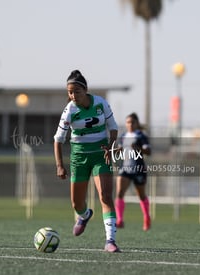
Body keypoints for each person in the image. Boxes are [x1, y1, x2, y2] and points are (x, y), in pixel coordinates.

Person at [53, 70, 120, 253]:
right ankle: (84, 215)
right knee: (77, 204)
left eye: (77, 91)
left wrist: (111, 146)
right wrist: (60, 165)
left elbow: (113, 128)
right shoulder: (69, 110)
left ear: (86, 90)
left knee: (105, 195)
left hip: (100, 154)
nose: (73, 96)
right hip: (79, 157)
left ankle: (110, 241)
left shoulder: (100, 103)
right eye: (70, 92)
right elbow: (58, 139)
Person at [115, 112, 151, 231]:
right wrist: (115, 150)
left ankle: (146, 217)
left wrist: (139, 148)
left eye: (132, 122)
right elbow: (120, 149)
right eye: (128, 122)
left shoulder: (141, 136)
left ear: (137, 123)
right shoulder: (123, 136)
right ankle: (119, 220)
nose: (130, 124)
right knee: (119, 193)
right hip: (125, 168)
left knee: (141, 195)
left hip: (138, 169)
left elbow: (148, 151)